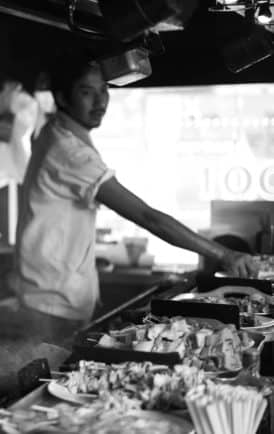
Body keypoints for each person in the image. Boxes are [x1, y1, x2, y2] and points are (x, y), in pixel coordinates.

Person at [14, 53, 258, 324]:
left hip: (52, 297)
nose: (100, 102)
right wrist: (224, 254)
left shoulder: (59, 133)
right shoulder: (69, 152)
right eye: (86, 92)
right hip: (51, 304)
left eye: (104, 90)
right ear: (61, 97)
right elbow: (146, 217)